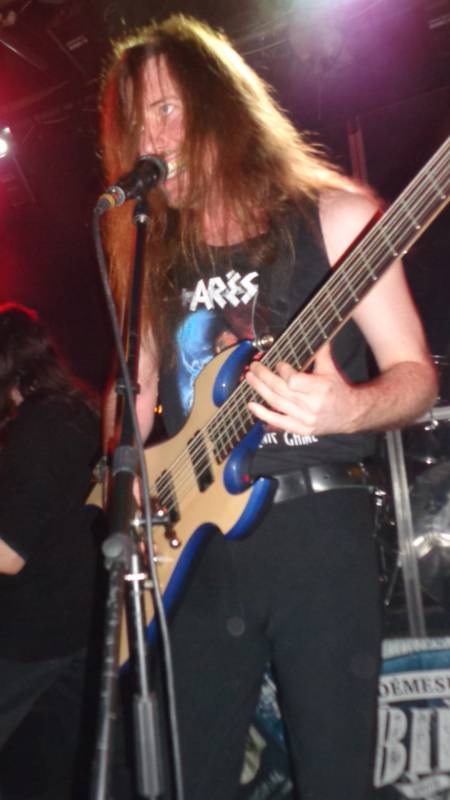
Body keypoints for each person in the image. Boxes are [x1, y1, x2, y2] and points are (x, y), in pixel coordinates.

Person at [99, 15, 438, 800]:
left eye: (168, 108)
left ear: (221, 105)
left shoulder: (338, 217)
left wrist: (348, 408)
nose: (153, 139)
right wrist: (129, 476)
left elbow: (416, 376)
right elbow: (133, 396)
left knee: (333, 775)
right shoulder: (154, 256)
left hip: (316, 532)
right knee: (184, 778)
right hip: (195, 549)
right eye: (139, 122)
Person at [0, 303, 101, 799]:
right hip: (79, 621)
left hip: (36, 630)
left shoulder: (39, 428)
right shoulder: (79, 412)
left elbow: (7, 554)